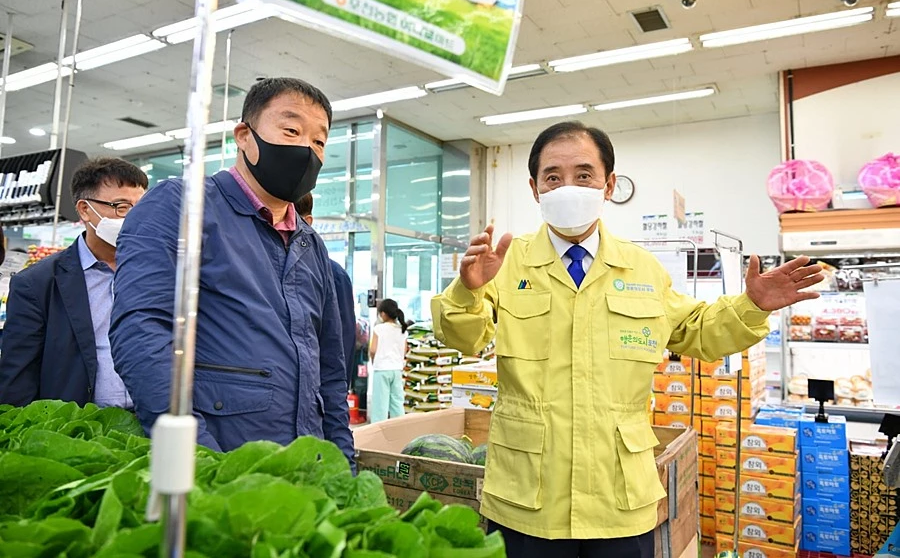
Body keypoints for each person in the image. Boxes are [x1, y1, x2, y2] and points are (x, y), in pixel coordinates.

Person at [431, 121, 825, 558]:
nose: (568, 187)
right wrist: (466, 290)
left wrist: (752, 305)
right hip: (526, 498)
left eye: (584, 175)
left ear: (609, 185)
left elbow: (697, 329)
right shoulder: (506, 262)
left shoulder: (641, 267)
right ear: (534, 188)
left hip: (618, 499)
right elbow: (464, 337)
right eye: (553, 177)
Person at [110, 77, 354, 467]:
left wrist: (342, 466)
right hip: (218, 463)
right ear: (244, 136)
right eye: (291, 131)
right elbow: (141, 331)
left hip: (304, 468)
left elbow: (330, 370)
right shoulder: (183, 208)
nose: (307, 150)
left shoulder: (311, 246)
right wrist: (201, 460)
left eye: (319, 141)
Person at [0, 158, 148, 407]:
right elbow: (18, 377)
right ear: (85, 210)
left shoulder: (158, 272)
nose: (134, 217)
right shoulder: (37, 283)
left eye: (141, 207)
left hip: (152, 417)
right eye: (122, 207)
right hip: (79, 420)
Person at [295, 193, 357, 391]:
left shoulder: (332, 274)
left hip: (314, 394)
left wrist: (334, 398)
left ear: (307, 222)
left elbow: (341, 344)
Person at [368, 298, 408, 423]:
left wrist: (373, 361)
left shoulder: (379, 329)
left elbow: (372, 350)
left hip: (382, 369)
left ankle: (378, 430)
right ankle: (399, 428)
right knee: (397, 403)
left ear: (383, 314)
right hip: (396, 370)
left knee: (380, 405)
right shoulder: (402, 330)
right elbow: (404, 351)